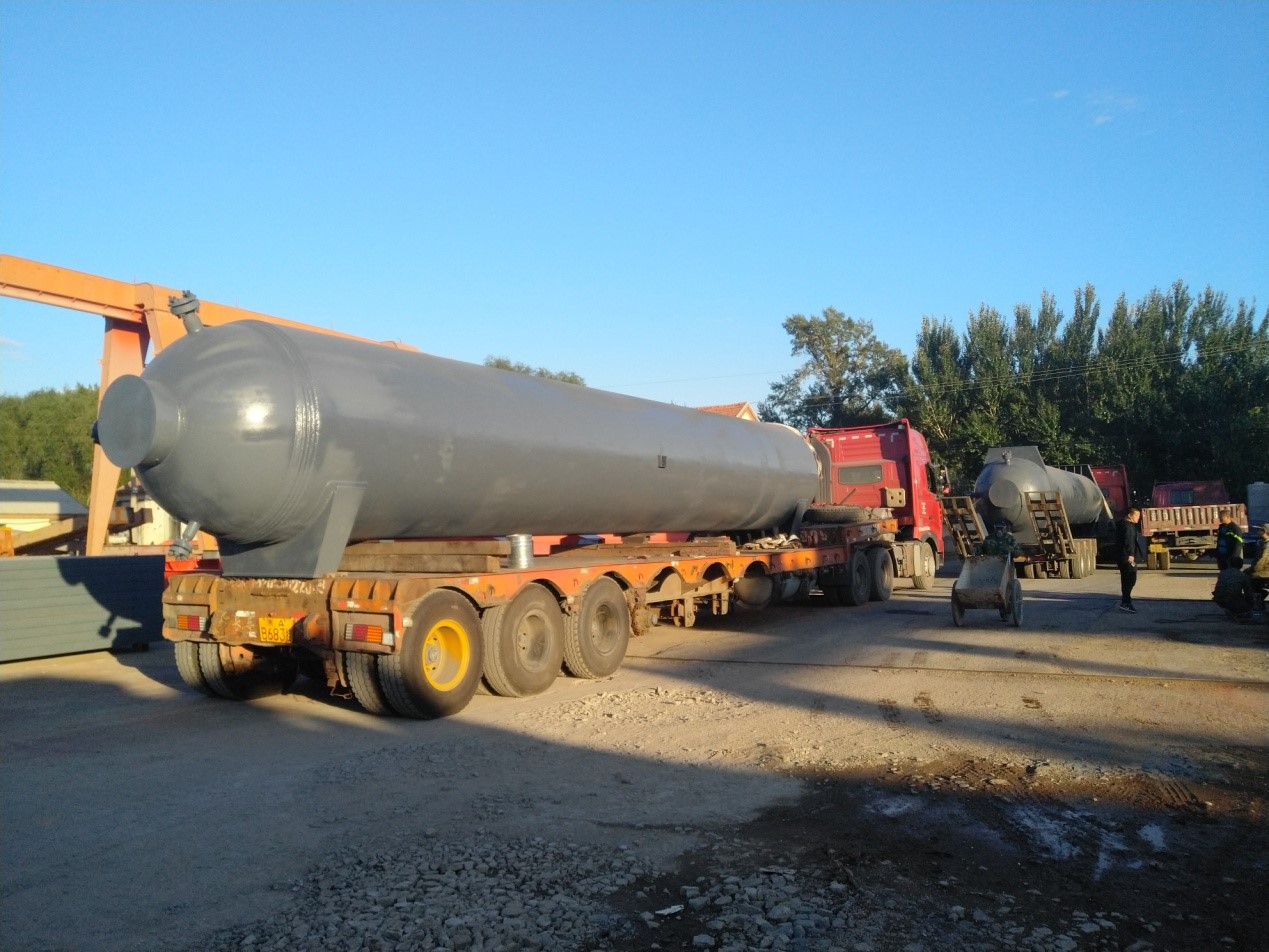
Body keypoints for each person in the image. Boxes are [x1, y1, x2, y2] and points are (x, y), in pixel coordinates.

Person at [1115, 506, 1142, 612]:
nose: (1138, 518)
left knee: (1126, 579)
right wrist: (1130, 554)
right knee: (1130, 578)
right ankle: (1126, 602)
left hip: (1121, 556)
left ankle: (1125, 601)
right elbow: (1128, 541)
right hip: (1127, 557)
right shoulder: (1128, 526)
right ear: (1130, 515)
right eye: (1137, 515)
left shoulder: (1123, 524)